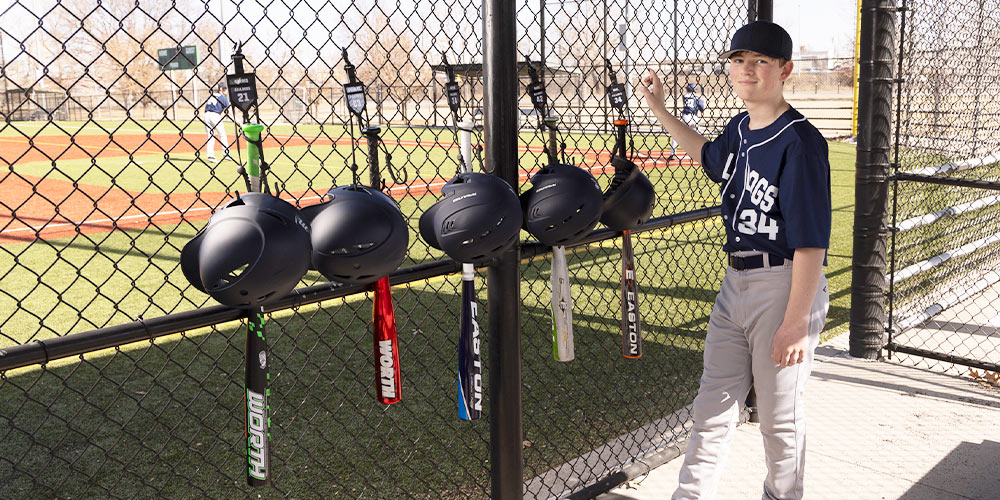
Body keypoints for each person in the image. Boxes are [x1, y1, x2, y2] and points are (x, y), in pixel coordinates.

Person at [637, 20, 831, 500]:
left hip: (784, 285)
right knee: (712, 408)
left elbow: (811, 245)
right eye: (739, 60)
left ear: (784, 70)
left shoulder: (801, 142)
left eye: (760, 61)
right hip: (735, 284)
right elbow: (706, 154)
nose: (747, 69)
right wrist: (659, 108)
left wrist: (795, 322)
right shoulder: (739, 129)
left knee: (779, 418)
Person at [670, 82, 708, 159]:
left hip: (685, 117)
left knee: (676, 134)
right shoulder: (697, 97)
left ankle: (673, 153)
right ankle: (705, 152)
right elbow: (702, 109)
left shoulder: (684, 96)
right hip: (694, 118)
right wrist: (702, 99)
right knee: (699, 136)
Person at [202, 83, 230, 163]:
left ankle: (210, 155)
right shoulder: (222, 98)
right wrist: (238, 121)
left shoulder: (212, 95)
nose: (226, 90)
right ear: (221, 89)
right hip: (215, 115)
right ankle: (226, 153)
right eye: (225, 88)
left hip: (206, 115)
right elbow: (230, 110)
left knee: (210, 136)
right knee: (222, 135)